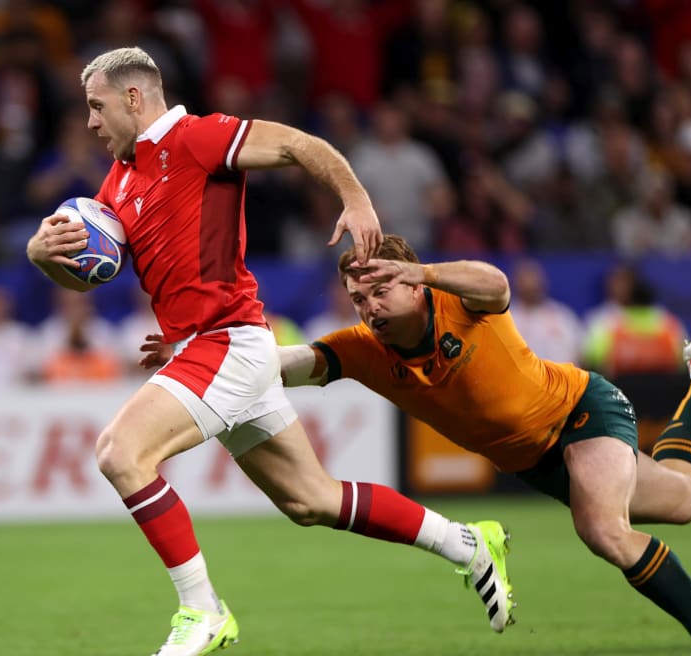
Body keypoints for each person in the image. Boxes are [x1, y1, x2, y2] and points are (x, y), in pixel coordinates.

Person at [26, 47, 513, 656]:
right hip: (213, 347)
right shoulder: (116, 182)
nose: (90, 122)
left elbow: (298, 144)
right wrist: (45, 259)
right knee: (311, 500)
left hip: (227, 341)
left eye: (96, 107)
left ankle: (201, 610)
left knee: (121, 453)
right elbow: (94, 272)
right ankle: (466, 543)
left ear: (133, 98)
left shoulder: (198, 138)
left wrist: (355, 199)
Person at [163, 233, 691, 656]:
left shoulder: (458, 298)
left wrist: (424, 271)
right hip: (534, 461)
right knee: (686, 499)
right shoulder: (360, 348)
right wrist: (200, 362)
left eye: (380, 291)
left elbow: (498, 281)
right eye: (358, 298)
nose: (370, 307)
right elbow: (286, 363)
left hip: (580, 413)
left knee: (604, 531)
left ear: (409, 284)